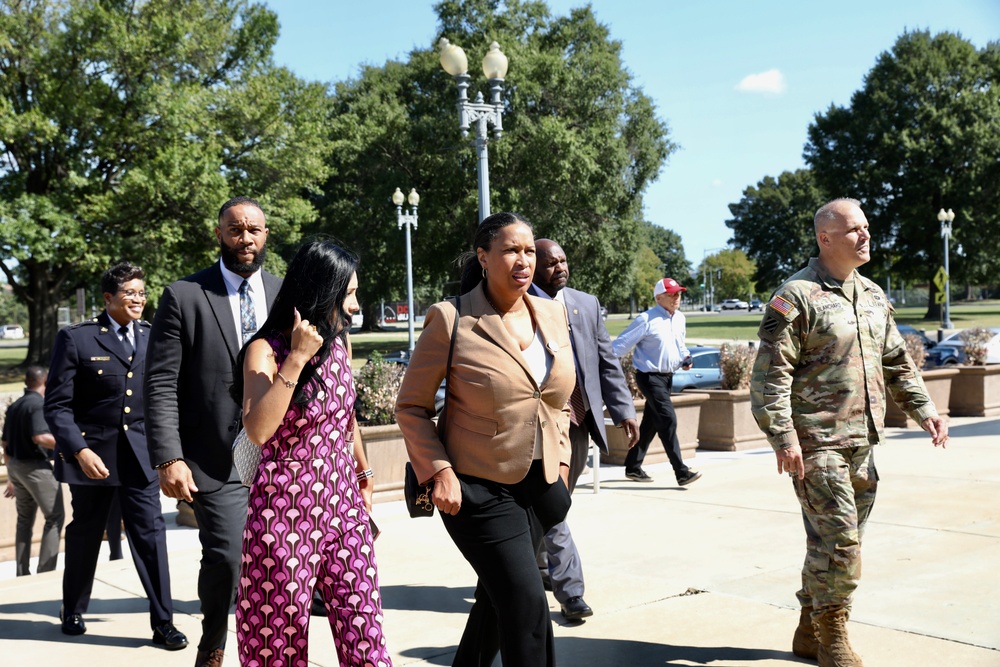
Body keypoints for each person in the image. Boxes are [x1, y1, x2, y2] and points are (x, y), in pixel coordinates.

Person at [750, 198, 948, 667]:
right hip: (816, 443)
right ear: (825, 238)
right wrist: (784, 437)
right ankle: (833, 636)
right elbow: (770, 376)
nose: (865, 236)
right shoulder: (795, 295)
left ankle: (807, 628)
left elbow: (898, 362)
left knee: (828, 542)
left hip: (863, 442)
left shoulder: (874, 295)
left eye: (866, 227)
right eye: (854, 230)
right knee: (842, 542)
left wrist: (926, 411)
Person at [395, 212, 575, 667]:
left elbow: (558, 399)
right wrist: (439, 470)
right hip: (475, 490)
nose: (523, 260)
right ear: (483, 256)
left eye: (529, 250)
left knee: (498, 604)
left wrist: (564, 461)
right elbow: (411, 407)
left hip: (539, 486)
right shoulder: (452, 318)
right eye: (511, 250)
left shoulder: (553, 313)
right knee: (527, 603)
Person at [231, 240, 387, 667]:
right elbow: (259, 429)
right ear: (322, 291)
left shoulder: (340, 344)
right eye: (349, 294)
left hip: (345, 508)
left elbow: (346, 414)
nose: (355, 305)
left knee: (365, 631)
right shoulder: (265, 351)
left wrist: (364, 470)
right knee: (274, 642)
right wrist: (297, 358)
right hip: (283, 512)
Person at [145, 196, 281, 667]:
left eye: (255, 230)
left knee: (280, 563)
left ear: (267, 235)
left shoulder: (286, 294)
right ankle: (214, 640)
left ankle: (271, 648)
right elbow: (160, 382)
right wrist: (168, 456)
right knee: (226, 555)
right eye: (236, 229)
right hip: (214, 457)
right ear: (219, 233)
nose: (246, 239)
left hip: (282, 455)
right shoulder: (184, 295)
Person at [44, 261, 187, 649]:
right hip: (92, 460)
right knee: (85, 536)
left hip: (141, 457)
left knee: (151, 538)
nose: (139, 299)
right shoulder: (77, 338)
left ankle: (163, 622)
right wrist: (80, 450)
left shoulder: (154, 335)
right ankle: (72, 608)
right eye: (130, 294)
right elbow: (57, 406)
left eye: (142, 293)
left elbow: (166, 395)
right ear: (108, 298)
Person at [529, 239, 638, 621]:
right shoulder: (520, 301)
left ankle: (534, 568)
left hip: (580, 419)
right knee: (552, 503)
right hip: (540, 421)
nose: (560, 267)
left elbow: (606, 360)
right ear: (534, 264)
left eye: (563, 260)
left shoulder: (585, 303)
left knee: (558, 500)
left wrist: (623, 410)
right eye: (550, 262)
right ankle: (570, 590)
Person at [611, 277, 703, 486]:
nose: (677, 297)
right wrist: (602, 368)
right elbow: (619, 346)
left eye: (679, 293)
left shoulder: (680, 318)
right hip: (649, 378)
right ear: (659, 297)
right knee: (668, 419)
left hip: (668, 378)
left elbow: (681, 345)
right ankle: (681, 471)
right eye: (672, 294)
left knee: (652, 424)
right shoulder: (646, 319)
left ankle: (633, 467)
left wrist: (686, 357)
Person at [2, 365, 64, 576]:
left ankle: (22, 572)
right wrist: (71, 444)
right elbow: (40, 437)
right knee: (55, 517)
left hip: (16, 466)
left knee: (24, 521)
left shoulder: (15, 405)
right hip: (36, 468)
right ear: (45, 381)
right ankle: (46, 571)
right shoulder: (38, 404)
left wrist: (11, 476)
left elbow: (4, 444)